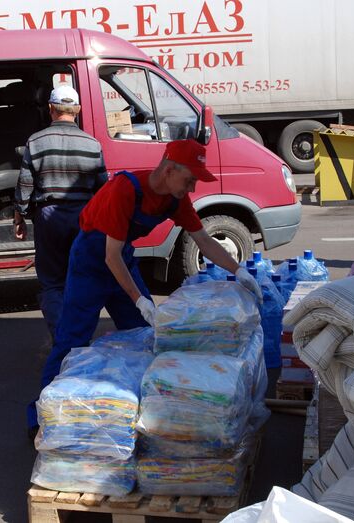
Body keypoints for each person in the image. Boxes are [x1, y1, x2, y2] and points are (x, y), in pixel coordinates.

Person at [26, 138, 263, 436]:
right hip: (90, 260)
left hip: (121, 258)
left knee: (143, 335)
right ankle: (42, 416)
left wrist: (239, 271)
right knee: (72, 338)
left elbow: (203, 240)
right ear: (169, 170)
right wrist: (139, 298)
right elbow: (108, 257)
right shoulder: (125, 189)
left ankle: (131, 407)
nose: (192, 189)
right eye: (189, 180)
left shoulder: (175, 199)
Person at [14, 85, 107, 339]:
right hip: (84, 217)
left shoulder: (36, 141)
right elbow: (103, 188)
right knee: (81, 276)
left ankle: (61, 335)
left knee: (52, 281)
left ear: (51, 109)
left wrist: (20, 214)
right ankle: (81, 335)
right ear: (76, 110)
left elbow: (25, 184)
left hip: (49, 216)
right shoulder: (93, 144)